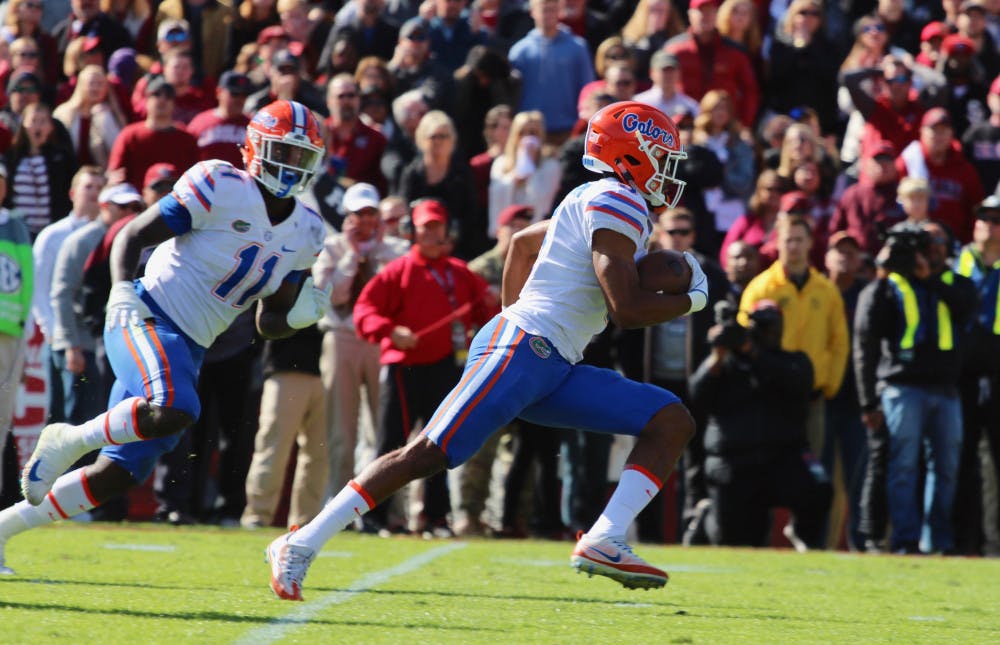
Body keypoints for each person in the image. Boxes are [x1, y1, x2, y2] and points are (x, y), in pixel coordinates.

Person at [265, 100, 708, 599]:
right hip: (528, 346)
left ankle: (605, 537)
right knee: (430, 452)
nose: (669, 172)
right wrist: (691, 299)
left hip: (553, 360)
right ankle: (300, 542)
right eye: (662, 157)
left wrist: (511, 319)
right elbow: (625, 309)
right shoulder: (617, 202)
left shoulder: (597, 199)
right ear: (632, 156)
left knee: (670, 420)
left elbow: (520, 243)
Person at [0, 100, 329, 575]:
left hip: (189, 347)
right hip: (148, 314)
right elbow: (131, 234)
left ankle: (4, 530)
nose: (292, 165)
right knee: (179, 407)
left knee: (117, 474)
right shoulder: (221, 183)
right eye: (285, 152)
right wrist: (119, 292)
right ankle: (69, 438)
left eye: (302, 156)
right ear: (256, 148)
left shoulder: (307, 230)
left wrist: (297, 317)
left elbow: (266, 322)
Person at [349, 198, 496, 538]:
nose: (431, 233)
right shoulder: (397, 271)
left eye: (436, 226)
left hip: (446, 369)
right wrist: (391, 332)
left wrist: (488, 309)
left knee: (439, 445)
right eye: (425, 227)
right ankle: (375, 517)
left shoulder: (460, 273)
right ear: (412, 231)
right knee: (390, 443)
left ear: (446, 230)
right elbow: (365, 312)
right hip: (404, 370)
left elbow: (486, 316)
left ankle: (435, 518)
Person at [854, 221, 975, 553]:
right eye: (926, 242)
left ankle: (936, 539)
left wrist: (929, 279)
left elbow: (967, 309)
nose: (932, 247)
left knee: (947, 468)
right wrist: (886, 265)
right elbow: (865, 338)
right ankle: (905, 539)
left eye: (938, 240)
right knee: (902, 466)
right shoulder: (890, 286)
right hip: (901, 387)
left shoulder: (957, 284)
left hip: (947, 389)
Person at [690, 300, 831, 549]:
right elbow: (697, 394)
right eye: (760, 325)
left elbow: (797, 383)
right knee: (737, 542)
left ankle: (803, 534)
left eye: (770, 325)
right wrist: (718, 355)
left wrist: (751, 352)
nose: (765, 331)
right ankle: (707, 517)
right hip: (733, 461)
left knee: (819, 489)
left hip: (781, 458)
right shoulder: (727, 364)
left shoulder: (794, 361)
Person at [312, 182, 408, 499]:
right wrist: (352, 256)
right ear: (348, 216)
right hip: (343, 338)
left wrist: (378, 252)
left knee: (385, 429)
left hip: (382, 341)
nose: (366, 220)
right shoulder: (332, 248)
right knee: (341, 429)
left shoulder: (394, 249)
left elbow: (397, 297)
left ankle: (382, 506)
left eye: (371, 213)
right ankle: (337, 505)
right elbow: (332, 296)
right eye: (359, 213)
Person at [739, 215, 850, 459]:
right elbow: (744, 336)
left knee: (812, 472)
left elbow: (839, 340)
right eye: (788, 240)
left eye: (799, 240)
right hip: (770, 396)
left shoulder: (826, 290)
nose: (793, 246)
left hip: (812, 397)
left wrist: (829, 383)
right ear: (777, 243)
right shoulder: (761, 287)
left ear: (810, 243)